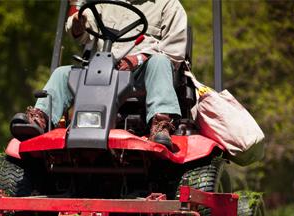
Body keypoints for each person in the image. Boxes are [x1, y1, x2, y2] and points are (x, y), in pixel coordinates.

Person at [10, 0, 188, 148]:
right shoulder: (105, 2)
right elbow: (84, 32)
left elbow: (174, 51)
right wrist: (79, 24)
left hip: (143, 73)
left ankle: (161, 124)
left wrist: (138, 59)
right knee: (63, 73)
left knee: (160, 61)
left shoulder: (169, 5)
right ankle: (40, 118)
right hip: (105, 67)